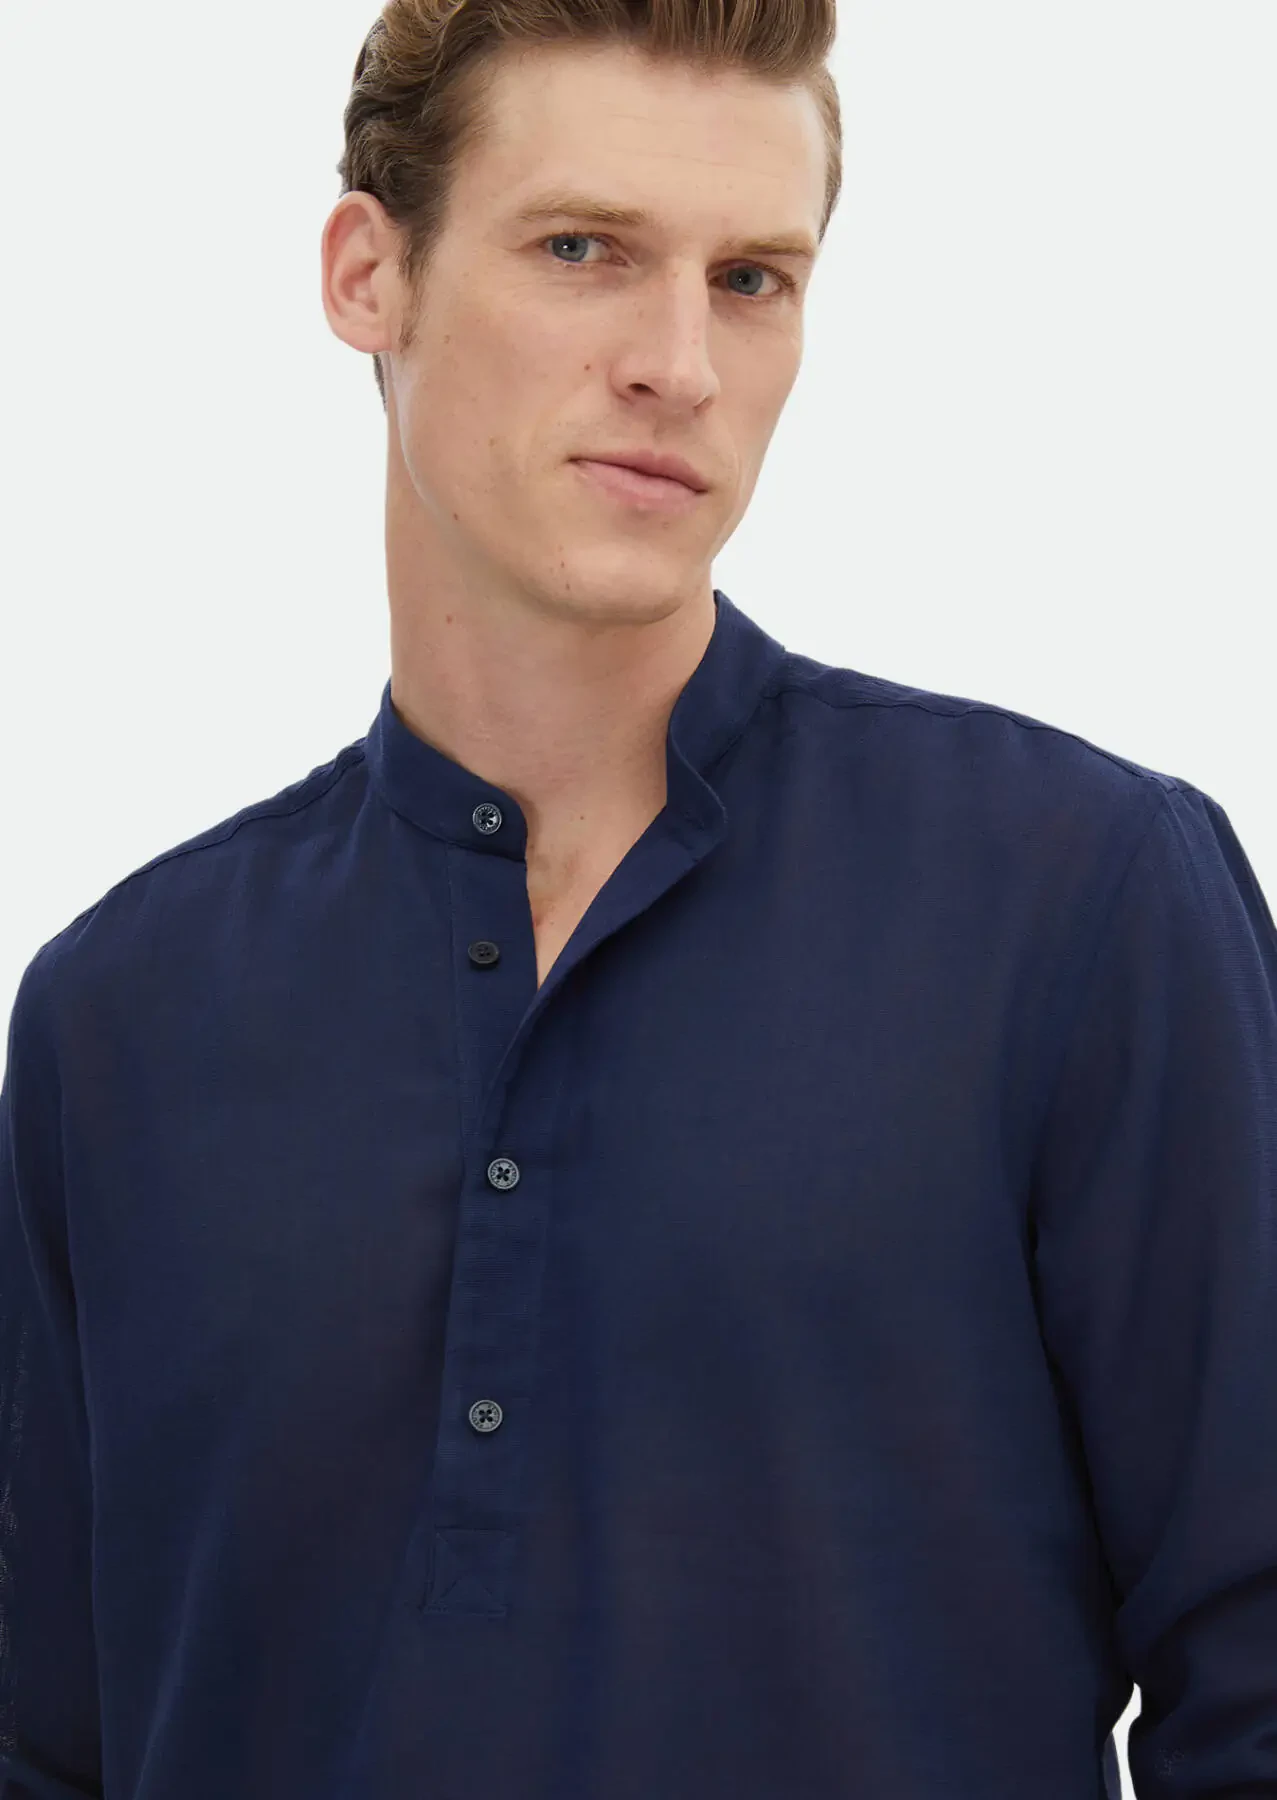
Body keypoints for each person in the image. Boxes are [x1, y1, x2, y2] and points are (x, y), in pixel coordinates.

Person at [1, 2, 1274, 1796]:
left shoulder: (1086, 906)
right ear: (369, 274)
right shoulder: (115, 1017)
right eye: (583, 250)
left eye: (751, 280)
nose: (680, 364)